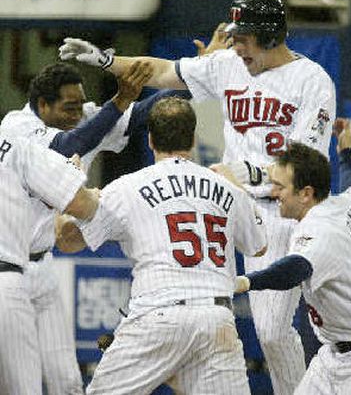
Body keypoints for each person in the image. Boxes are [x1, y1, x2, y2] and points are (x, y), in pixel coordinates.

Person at [58, 0, 336, 393]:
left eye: (245, 37)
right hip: (232, 207)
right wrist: (107, 61)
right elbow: (162, 71)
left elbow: (309, 165)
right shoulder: (227, 65)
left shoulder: (312, 81)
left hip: (285, 212)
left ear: (271, 36)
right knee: (204, 310)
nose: (236, 44)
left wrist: (247, 172)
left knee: (277, 333)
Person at [56, 96, 267, 395]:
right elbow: (259, 246)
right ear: (193, 139)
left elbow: (67, 240)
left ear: (151, 139)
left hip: (158, 315)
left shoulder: (127, 187)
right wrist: (239, 188)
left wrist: (63, 188)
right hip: (216, 317)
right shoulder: (226, 187)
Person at [0, 61, 153, 394]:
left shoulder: (87, 119)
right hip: (8, 271)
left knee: (67, 381)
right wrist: (118, 103)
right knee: (21, 385)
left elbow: (141, 114)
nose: (75, 114)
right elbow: (69, 146)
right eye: (67, 107)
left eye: (78, 106)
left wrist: (194, 76)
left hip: (40, 264)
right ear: (42, 105)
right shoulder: (17, 127)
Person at [235, 120, 351, 394]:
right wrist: (346, 150)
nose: (273, 192)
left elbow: (293, 269)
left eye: (280, 186)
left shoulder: (319, 228)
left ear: (306, 194)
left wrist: (246, 282)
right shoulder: (347, 202)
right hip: (334, 355)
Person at [0, 132, 99, 395]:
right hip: (7, 277)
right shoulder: (15, 143)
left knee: (64, 380)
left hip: (33, 266)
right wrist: (99, 197)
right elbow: (80, 204)